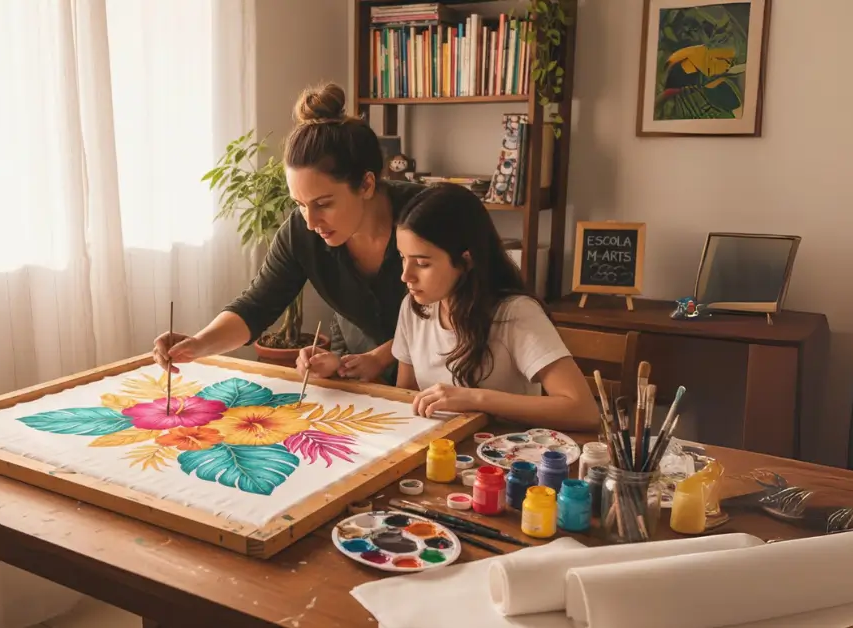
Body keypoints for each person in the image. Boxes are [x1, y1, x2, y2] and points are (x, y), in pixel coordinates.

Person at [153, 83, 426, 384]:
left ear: (366, 185)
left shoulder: (428, 214)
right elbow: (256, 306)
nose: (311, 222)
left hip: (443, 376)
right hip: (361, 372)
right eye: (300, 204)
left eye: (323, 204)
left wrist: (383, 356)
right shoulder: (301, 232)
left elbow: (454, 310)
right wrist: (198, 344)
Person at [392, 183, 598, 432]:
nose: (405, 276)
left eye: (422, 263)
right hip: (442, 447)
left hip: (508, 452)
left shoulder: (515, 313)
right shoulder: (413, 307)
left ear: (466, 261)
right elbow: (405, 396)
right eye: (402, 257)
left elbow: (584, 411)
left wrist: (476, 399)